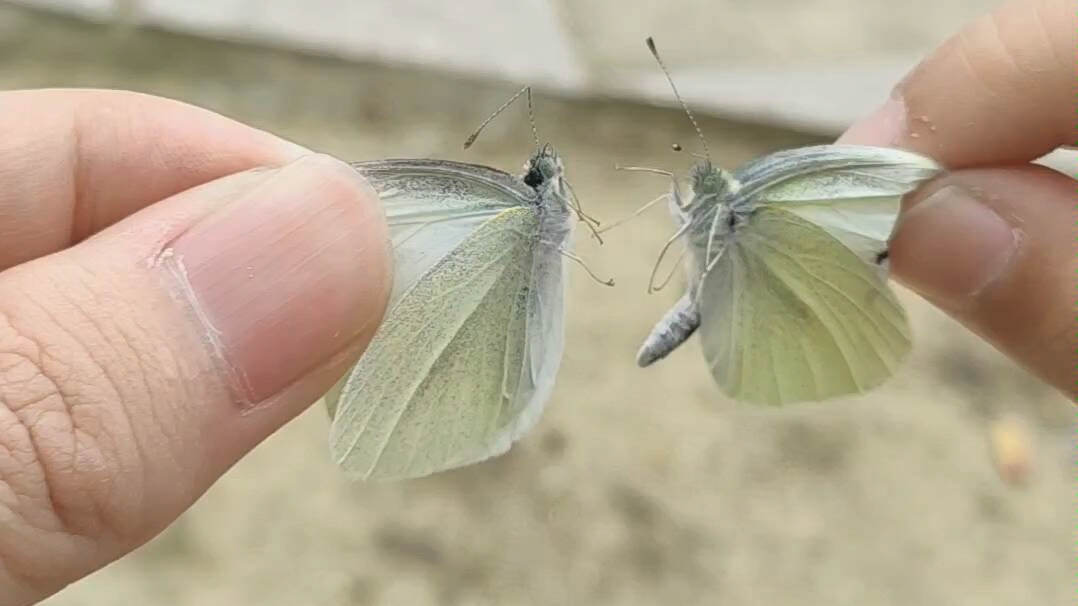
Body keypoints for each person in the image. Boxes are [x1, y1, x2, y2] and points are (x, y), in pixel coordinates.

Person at [2, 0, 1074, 602]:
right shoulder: (528, 208)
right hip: (694, 289)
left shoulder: (722, 203)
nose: (556, 188)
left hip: (739, 293)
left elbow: (822, 197)